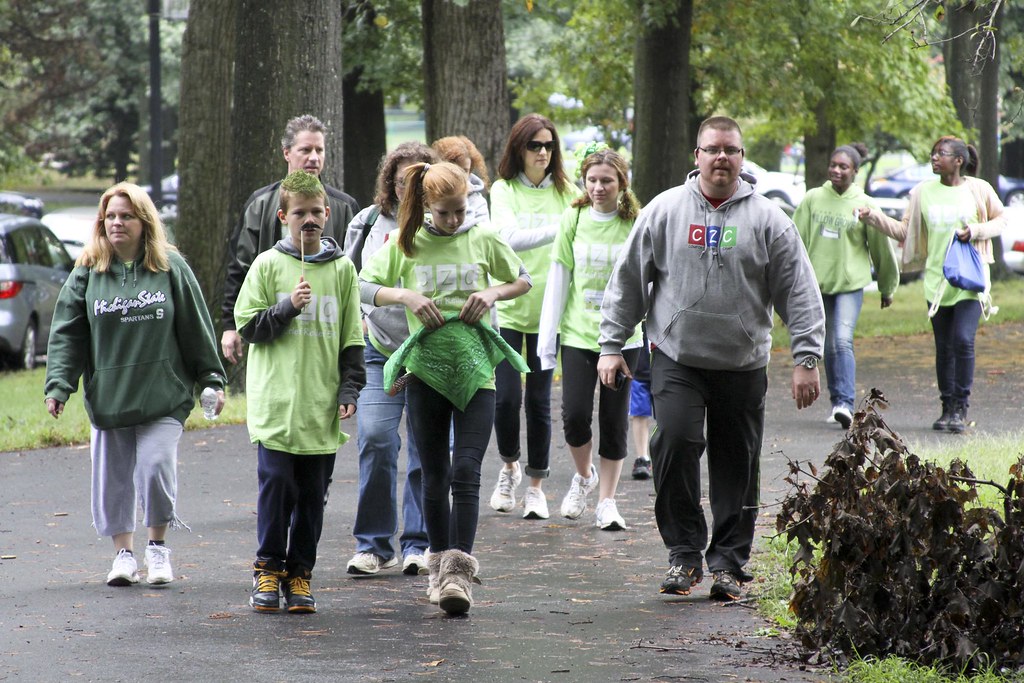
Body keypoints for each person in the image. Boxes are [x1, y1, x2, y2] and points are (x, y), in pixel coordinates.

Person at [597, 116, 825, 601]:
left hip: (743, 362)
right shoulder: (664, 211)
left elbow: (799, 291)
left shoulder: (768, 219)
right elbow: (629, 281)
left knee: (736, 461)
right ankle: (684, 553)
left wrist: (807, 357)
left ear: (742, 159)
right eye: (712, 149)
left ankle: (727, 563)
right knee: (674, 442)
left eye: (731, 150)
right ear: (696, 156)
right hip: (677, 357)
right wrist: (612, 346)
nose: (722, 157)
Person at [359, 161, 530, 615]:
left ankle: (458, 574)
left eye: (461, 209)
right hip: (425, 372)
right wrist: (407, 296)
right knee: (433, 474)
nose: (455, 220)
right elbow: (364, 284)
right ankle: (438, 571)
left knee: (466, 470)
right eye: (445, 212)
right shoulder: (405, 243)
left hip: (477, 372)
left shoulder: (482, 237)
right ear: (426, 206)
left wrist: (492, 294)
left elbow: (523, 279)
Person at [44, 182, 226, 588]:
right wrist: (59, 386)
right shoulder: (88, 271)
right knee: (112, 480)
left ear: (144, 222)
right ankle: (123, 554)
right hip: (110, 397)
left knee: (155, 467)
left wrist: (211, 378)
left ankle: (157, 548)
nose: (117, 222)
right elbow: (67, 333)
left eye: (126, 215)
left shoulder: (170, 267)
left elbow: (195, 326)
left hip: (163, 395)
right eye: (110, 216)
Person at [235, 171, 366, 614]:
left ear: (327, 215)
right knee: (276, 486)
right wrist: (287, 306)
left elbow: (352, 338)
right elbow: (249, 326)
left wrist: (350, 387)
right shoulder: (268, 265)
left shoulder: (343, 269)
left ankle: (300, 573)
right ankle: (268, 568)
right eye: (299, 214)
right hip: (277, 405)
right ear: (282, 217)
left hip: (320, 406)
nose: (308, 220)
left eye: (315, 213)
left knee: (313, 495)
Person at [860, 136, 1004, 433]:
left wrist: (975, 230)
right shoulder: (922, 192)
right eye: (933, 153)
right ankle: (946, 407)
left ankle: (961, 408)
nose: (934, 158)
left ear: (959, 160)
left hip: (970, 280)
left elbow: (1001, 220)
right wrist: (873, 217)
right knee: (944, 347)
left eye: (941, 153)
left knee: (963, 340)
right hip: (938, 283)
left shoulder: (979, 189)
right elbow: (903, 230)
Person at [342, 142, 438, 577]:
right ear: (390, 182)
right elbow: (348, 279)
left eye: (418, 181)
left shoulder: (445, 224)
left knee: (425, 451)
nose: (409, 189)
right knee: (377, 439)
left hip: (429, 354)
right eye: (402, 181)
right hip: (379, 351)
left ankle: (418, 542)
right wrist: (359, 320)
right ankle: (374, 545)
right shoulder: (366, 223)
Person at [538, 146, 643, 529]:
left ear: (622, 183)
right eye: (592, 180)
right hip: (580, 335)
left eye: (607, 181)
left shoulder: (636, 221)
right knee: (576, 417)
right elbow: (559, 277)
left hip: (624, 338)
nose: (599, 188)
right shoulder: (575, 217)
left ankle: (607, 502)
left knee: (614, 421)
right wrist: (547, 338)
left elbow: (646, 280)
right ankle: (584, 476)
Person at [488, 114, 581, 519]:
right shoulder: (503, 190)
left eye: (548, 146)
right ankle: (509, 467)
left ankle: (536, 486)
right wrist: (561, 225)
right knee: (507, 399)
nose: (543, 153)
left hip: (551, 313)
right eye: (534, 146)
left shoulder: (568, 191)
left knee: (540, 402)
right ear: (518, 149)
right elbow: (507, 238)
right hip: (509, 306)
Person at [221, 114, 360, 365]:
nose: (314, 157)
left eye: (319, 150)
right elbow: (239, 267)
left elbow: (354, 274)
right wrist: (231, 325)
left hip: (324, 328)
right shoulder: (260, 204)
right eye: (305, 150)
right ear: (287, 153)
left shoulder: (344, 207)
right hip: (271, 324)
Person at [793, 142, 899, 430]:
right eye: (833, 165)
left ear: (855, 171)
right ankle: (837, 401)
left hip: (850, 285)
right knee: (827, 345)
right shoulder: (813, 199)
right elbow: (794, 242)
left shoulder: (864, 205)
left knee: (841, 340)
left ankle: (845, 404)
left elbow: (881, 249)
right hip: (817, 286)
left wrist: (887, 287)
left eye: (844, 167)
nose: (837, 170)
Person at [432, 135, 491, 228]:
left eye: (465, 170)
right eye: (453, 170)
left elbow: (484, 234)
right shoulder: (428, 197)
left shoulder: (477, 200)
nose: (459, 176)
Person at [628, 324, 653, 480]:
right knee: (639, 413)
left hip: (666, 370)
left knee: (667, 418)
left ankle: (667, 456)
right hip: (639, 369)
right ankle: (642, 457)